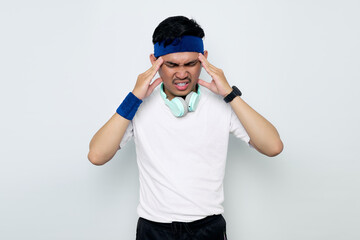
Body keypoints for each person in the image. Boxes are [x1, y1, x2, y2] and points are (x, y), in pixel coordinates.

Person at [88, 16, 283, 240]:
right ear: (155, 62)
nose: (182, 74)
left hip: (208, 228)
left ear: (204, 59)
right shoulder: (137, 107)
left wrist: (230, 94)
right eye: (172, 65)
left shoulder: (222, 103)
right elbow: (96, 155)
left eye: (190, 63)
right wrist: (133, 98)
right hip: (154, 230)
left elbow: (273, 146)